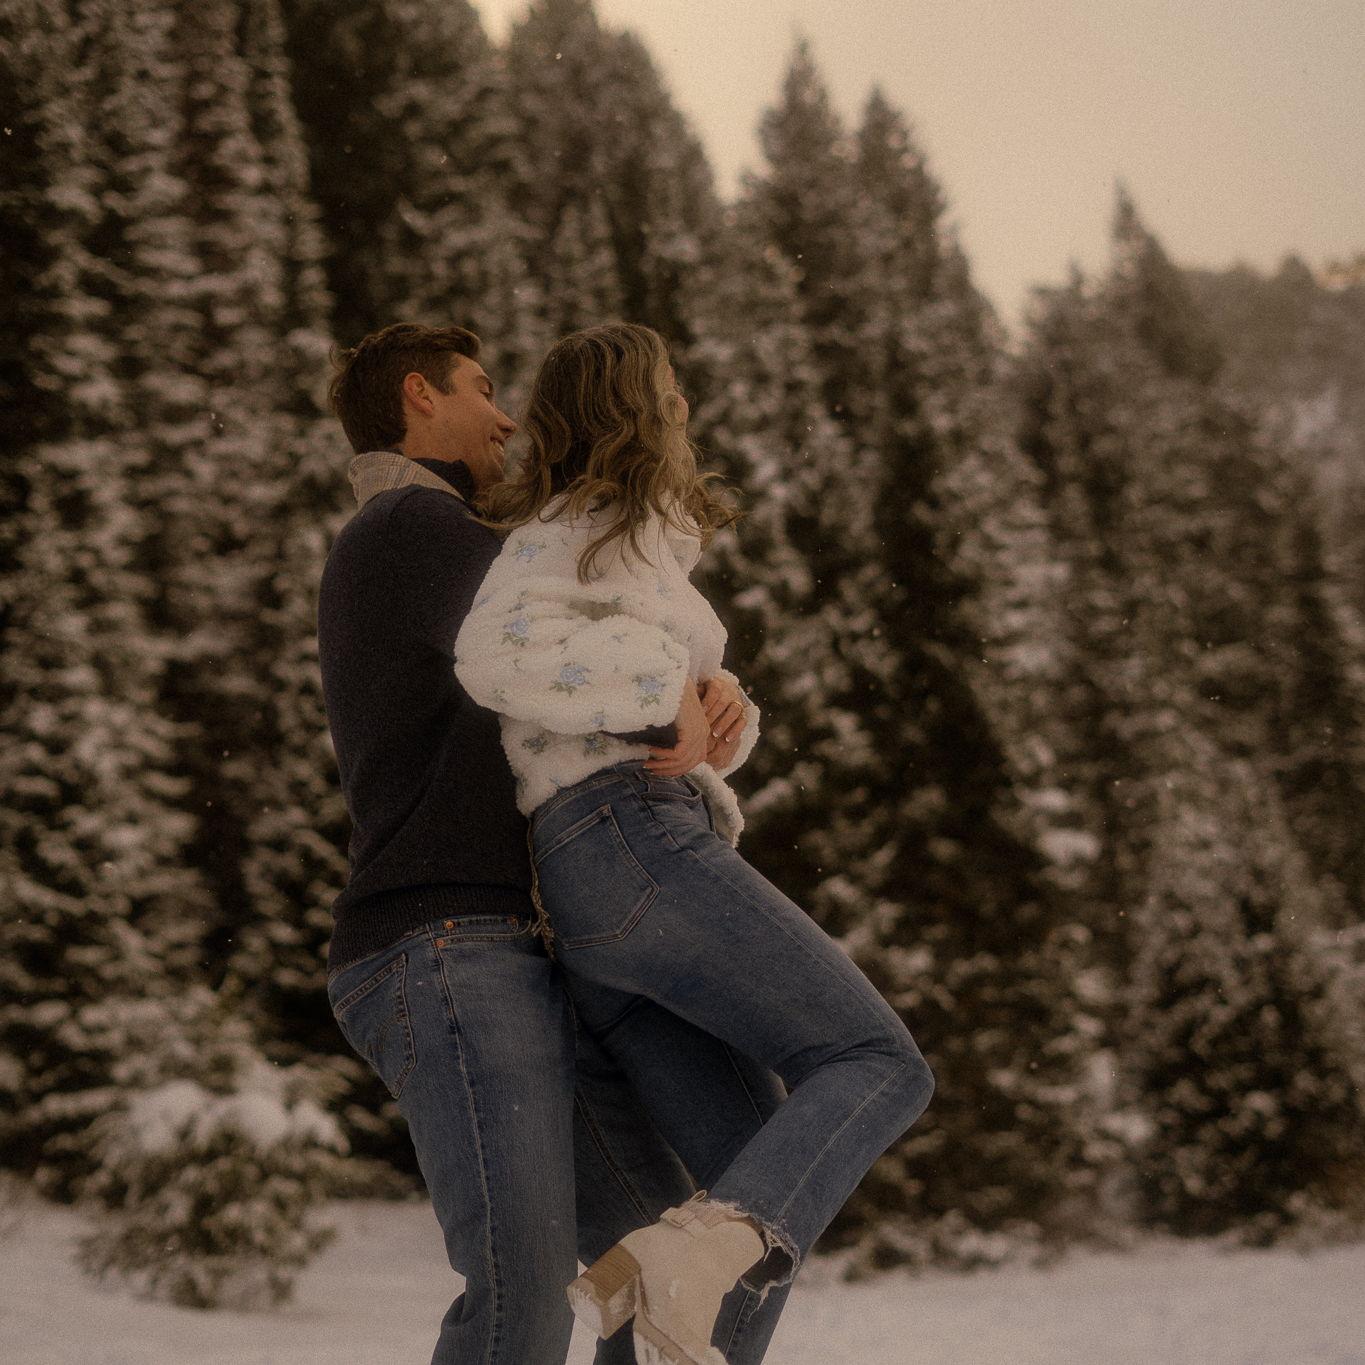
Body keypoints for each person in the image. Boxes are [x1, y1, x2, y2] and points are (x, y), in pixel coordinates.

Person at [454, 321, 937, 1365]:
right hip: (626, 841)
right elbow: (493, 653)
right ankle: (678, 1265)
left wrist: (721, 711)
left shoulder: (633, 546)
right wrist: (658, 687)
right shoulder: (568, 530)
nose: (683, 406)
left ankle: (672, 1297)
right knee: (876, 1062)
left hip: (618, 866)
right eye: (667, 388)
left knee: (751, 1188)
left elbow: (659, 693)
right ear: (630, 408)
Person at [315, 323, 791, 1365]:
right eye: (483, 390)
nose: (507, 418)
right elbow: (539, 647)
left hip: (515, 950)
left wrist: (710, 696)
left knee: (662, 1273)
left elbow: (589, 650)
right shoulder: (412, 526)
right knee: (522, 1293)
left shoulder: (439, 537)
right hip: (446, 942)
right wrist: (676, 691)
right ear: (418, 397)